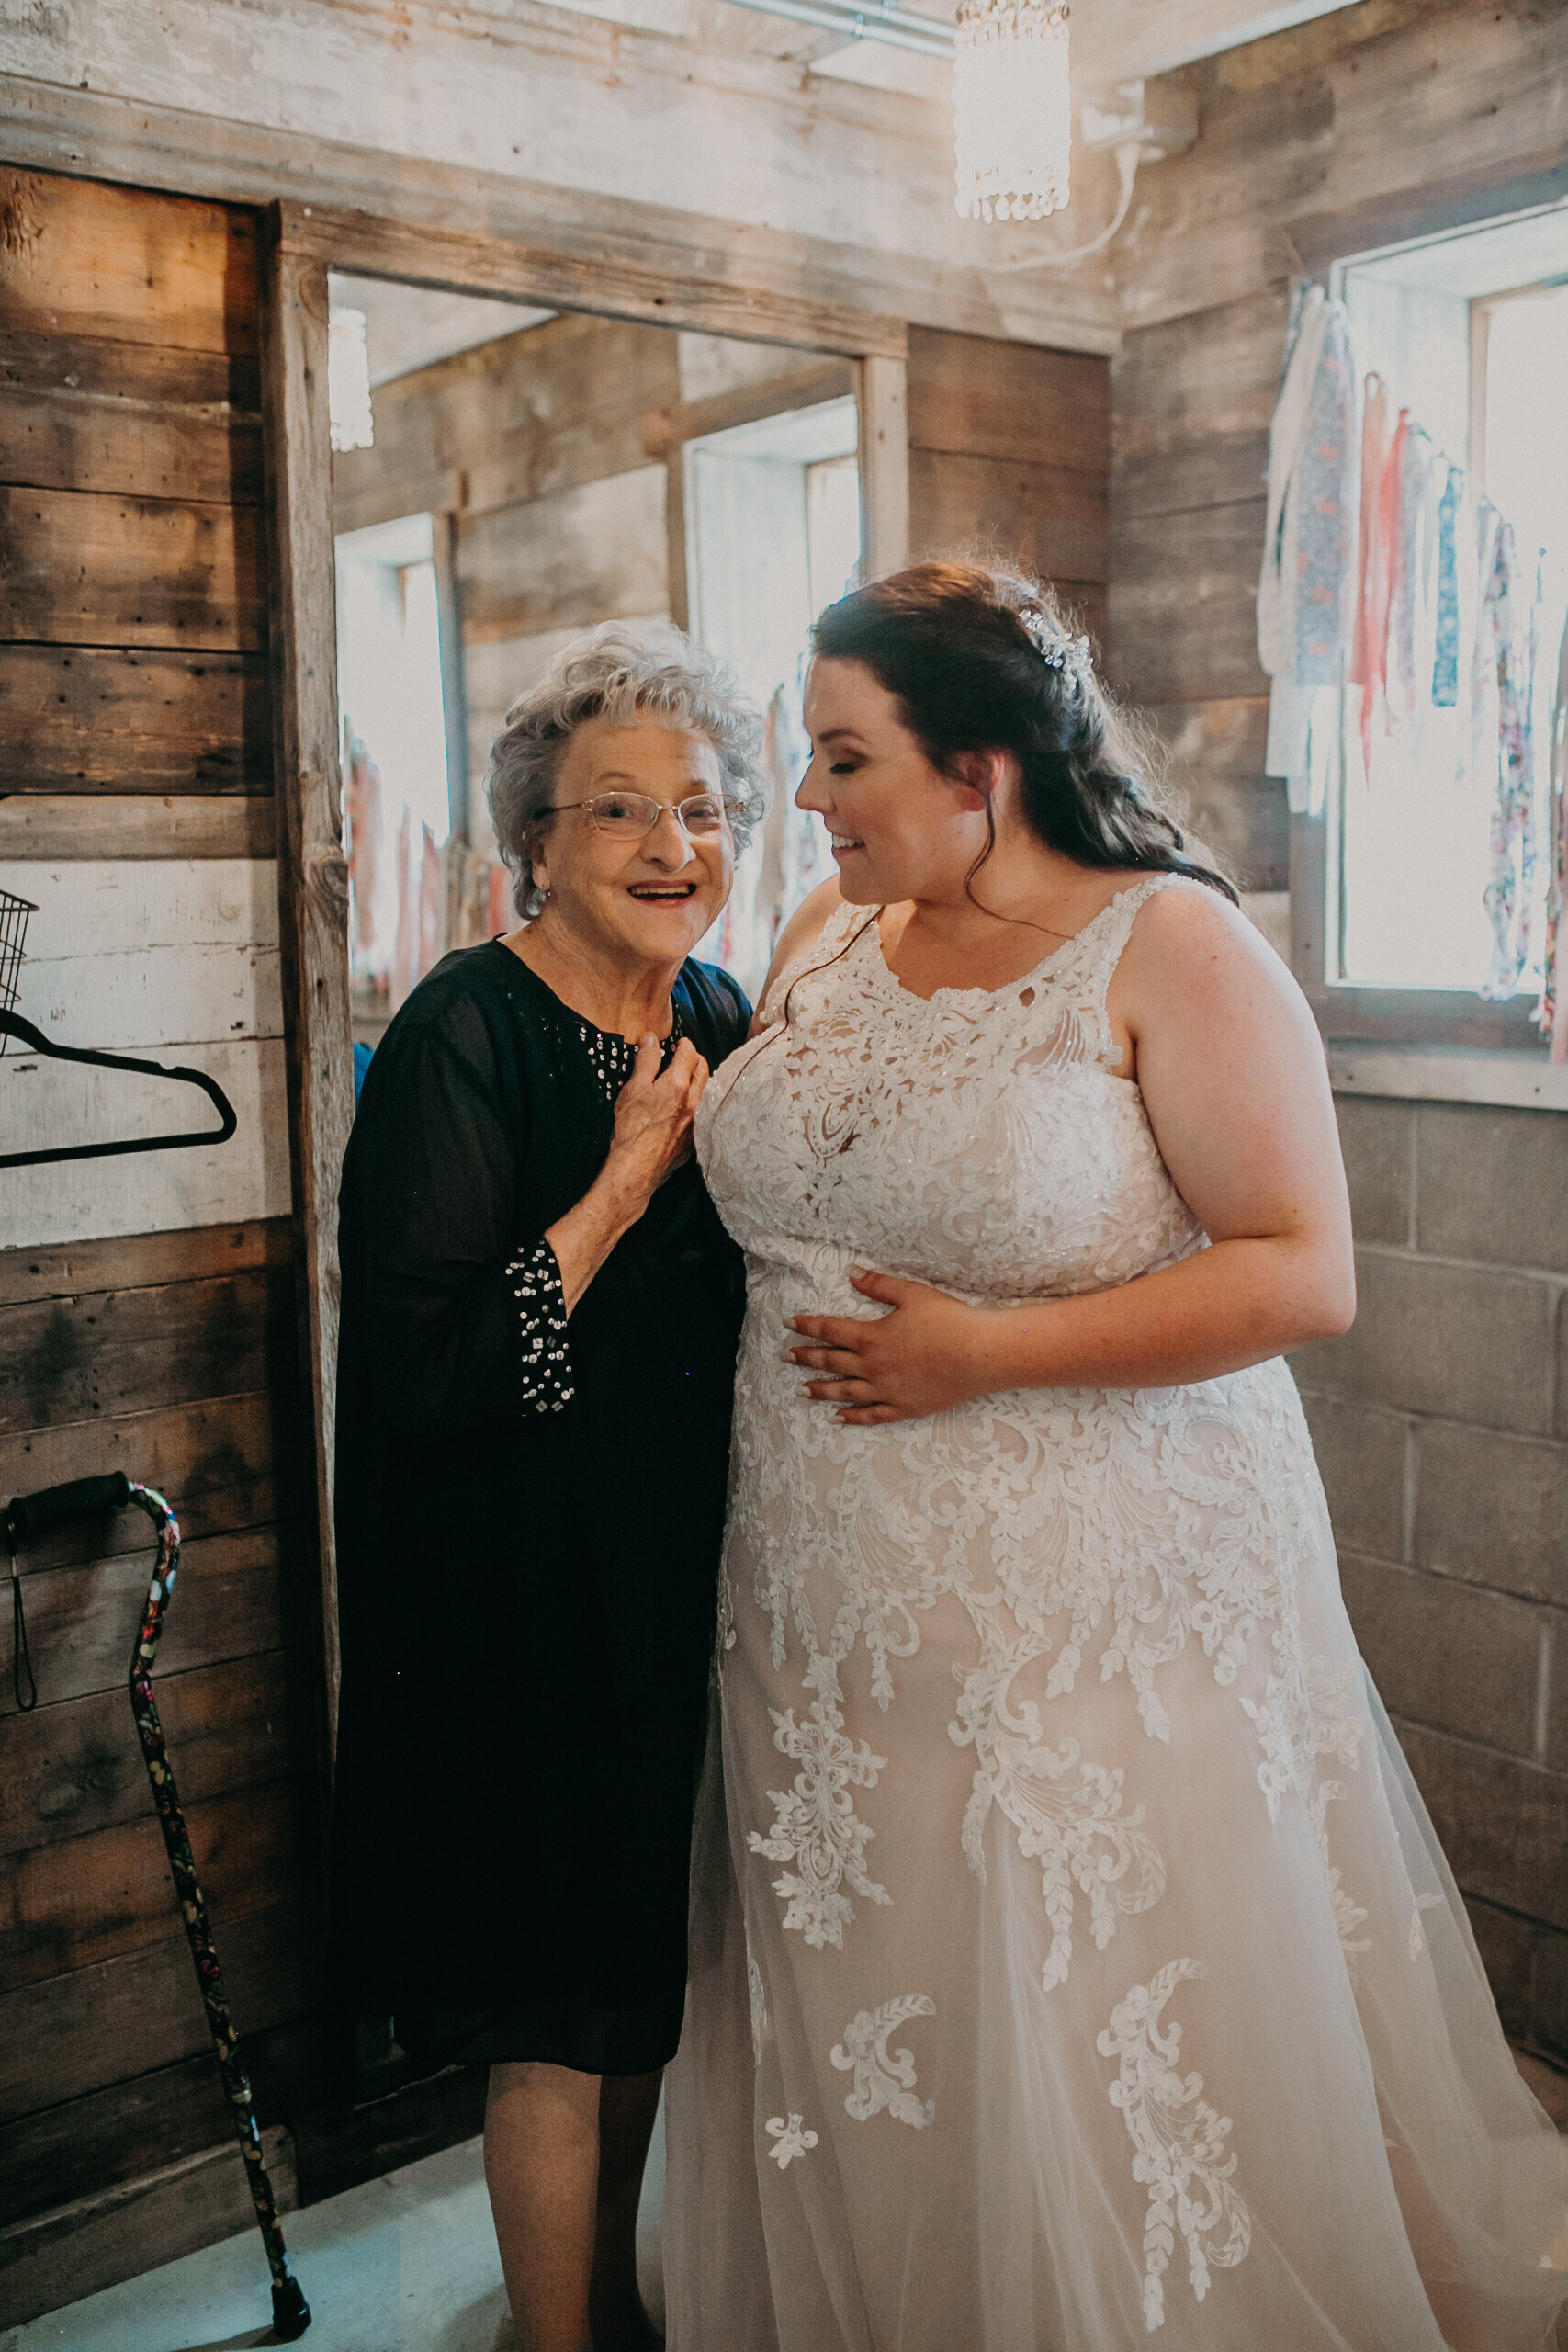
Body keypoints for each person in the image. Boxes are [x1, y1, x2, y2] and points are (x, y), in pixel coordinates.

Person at [662, 565, 1565, 2351]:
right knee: (876, 1948)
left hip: (1077, 1595)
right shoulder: (819, 936)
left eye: (842, 758)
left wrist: (982, 1350)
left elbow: (1300, 1267)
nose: (805, 800)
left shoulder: (1173, 948)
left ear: (974, 767)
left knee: (1069, 1978)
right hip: (817, 1582)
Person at [329, 624, 764, 2352]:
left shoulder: (722, 1012)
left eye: (706, 809)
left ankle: (609, 2309)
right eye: (621, 813)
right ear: (540, 840)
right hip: (518, 1593)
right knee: (551, 2009)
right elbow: (424, 1372)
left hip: (676, 1578)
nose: (676, 848)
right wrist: (620, 1184)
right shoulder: (462, 1030)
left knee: (637, 1984)